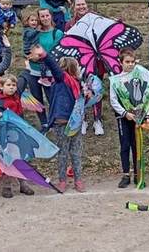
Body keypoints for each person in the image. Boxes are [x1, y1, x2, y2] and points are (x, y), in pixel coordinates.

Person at [30, 45, 85, 193]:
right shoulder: (62, 79)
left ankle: (78, 180)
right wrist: (44, 55)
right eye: (77, 66)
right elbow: (54, 67)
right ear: (71, 68)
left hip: (75, 123)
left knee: (76, 152)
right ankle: (62, 180)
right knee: (62, 153)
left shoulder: (77, 83)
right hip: (61, 122)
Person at [0, 75, 36, 197]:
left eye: (13, 85)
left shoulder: (16, 97)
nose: (11, 87)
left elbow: (23, 79)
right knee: (7, 160)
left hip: (18, 134)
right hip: (6, 136)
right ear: (2, 86)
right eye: (8, 85)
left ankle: (23, 184)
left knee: (21, 159)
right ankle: (7, 186)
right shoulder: (0, 100)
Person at [109, 49, 140, 188]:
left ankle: (138, 173)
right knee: (125, 145)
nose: (130, 64)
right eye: (127, 62)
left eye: (133, 62)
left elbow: (144, 96)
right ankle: (126, 174)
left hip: (137, 116)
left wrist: (142, 113)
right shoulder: (115, 80)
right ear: (121, 62)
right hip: (123, 117)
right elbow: (113, 100)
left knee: (136, 145)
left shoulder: (139, 78)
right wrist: (124, 113)